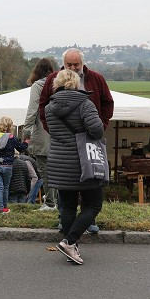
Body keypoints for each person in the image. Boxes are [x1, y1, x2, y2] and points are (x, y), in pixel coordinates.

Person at [38, 49, 113, 233]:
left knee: (85, 185)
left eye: (76, 64)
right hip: (65, 144)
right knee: (70, 192)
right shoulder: (53, 79)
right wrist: (53, 130)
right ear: (63, 64)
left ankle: (83, 224)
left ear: (82, 64)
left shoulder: (96, 79)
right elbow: (43, 106)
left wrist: (100, 125)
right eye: (69, 65)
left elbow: (107, 103)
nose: (72, 68)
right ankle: (69, 228)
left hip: (88, 142)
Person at [45, 69, 105, 265]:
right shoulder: (85, 104)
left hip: (60, 161)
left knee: (68, 206)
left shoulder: (49, 107)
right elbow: (97, 130)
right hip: (83, 161)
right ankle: (69, 242)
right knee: (94, 204)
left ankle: (72, 246)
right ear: (77, 83)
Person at [24, 57, 58, 212]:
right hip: (59, 134)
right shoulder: (58, 84)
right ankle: (57, 201)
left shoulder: (38, 85)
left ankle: (51, 202)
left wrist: (26, 130)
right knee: (58, 170)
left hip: (43, 132)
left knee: (45, 170)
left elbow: (33, 109)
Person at [0, 116, 29, 213]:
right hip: (8, 166)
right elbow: (21, 148)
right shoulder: (12, 138)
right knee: (6, 187)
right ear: (10, 127)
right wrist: (26, 142)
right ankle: (4, 207)